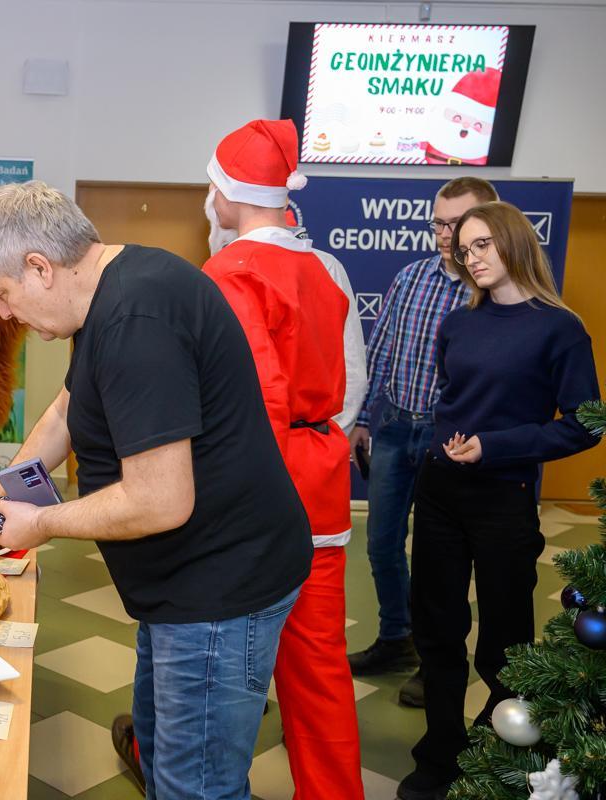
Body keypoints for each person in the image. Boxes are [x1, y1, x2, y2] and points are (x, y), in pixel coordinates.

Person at [0, 180, 313, 800]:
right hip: (184, 586)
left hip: (217, 588)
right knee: (163, 761)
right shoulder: (114, 285)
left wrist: (41, 523)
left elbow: (161, 500)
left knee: (197, 788)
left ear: (40, 268)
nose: (2, 313)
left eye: (1, 294)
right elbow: (67, 408)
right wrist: (1, 493)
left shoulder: (138, 321)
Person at [397, 201, 601, 800]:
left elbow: (586, 423)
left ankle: (503, 755)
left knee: (505, 639)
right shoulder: (458, 323)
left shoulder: (559, 328)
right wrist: (448, 445)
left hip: (504, 498)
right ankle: (439, 753)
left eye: (482, 244)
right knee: (437, 629)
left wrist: (495, 447)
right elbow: (451, 401)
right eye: (464, 250)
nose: (472, 258)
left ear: (514, 240)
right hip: (439, 491)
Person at [202, 119, 363, 799]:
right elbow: (351, 385)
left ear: (227, 192)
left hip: (250, 503)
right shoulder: (328, 268)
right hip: (322, 493)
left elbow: (245, 401)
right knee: (320, 669)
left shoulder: (227, 273)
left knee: (217, 666)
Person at [347, 177, 499, 708]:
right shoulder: (410, 277)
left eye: (458, 223)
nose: (446, 234)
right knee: (381, 543)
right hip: (393, 427)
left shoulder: (490, 293)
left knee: (440, 558)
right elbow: (381, 350)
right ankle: (397, 637)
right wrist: (362, 419)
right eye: (439, 223)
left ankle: (436, 664)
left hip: (448, 441)